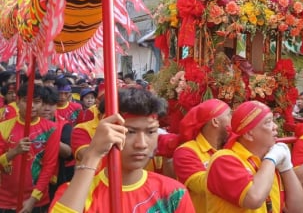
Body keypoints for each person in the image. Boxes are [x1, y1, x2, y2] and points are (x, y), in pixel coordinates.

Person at [50, 87, 195, 212]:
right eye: (130, 132)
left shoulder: (173, 194)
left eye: (151, 132)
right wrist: (93, 154)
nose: (142, 144)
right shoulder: (77, 194)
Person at [205, 101, 303, 212]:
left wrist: (286, 167)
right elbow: (254, 198)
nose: (275, 126)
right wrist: (271, 159)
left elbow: (297, 210)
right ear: (248, 134)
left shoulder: (268, 161)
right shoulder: (223, 160)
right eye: (268, 122)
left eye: (273, 121)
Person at [0, 83, 59, 213]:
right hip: (5, 199)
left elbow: (49, 166)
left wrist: (33, 199)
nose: (32, 105)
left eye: (37, 102)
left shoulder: (51, 129)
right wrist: (14, 152)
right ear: (18, 101)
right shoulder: (3, 127)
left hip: (37, 200)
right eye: (26, 101)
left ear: (42, 103)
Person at [173, 99, 231, 212]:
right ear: (215, 122)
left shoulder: (231, 147)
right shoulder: (186, 151)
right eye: (229, 115)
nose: (233, 120)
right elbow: (203, 186)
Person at [39, 86, 74, 201]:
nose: (47, 109)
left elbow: (68, 153)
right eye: (43, 104)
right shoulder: (26, 124)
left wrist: (50, 137)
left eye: (51, 105)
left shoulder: (64, 126)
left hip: (55, 179)